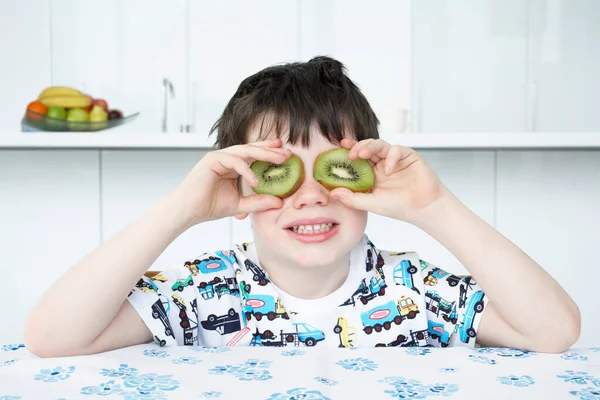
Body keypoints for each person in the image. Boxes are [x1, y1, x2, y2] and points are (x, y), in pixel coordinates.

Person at [24, 56, 580, 357]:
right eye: (280, 172)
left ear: (365, 177)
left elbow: (554, 331)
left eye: (331, 169)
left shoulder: (415, 290)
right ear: (241, 185)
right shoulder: (204, 291)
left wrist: (435, 207)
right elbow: (52, 339)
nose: (310, 194)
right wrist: (181, 210)